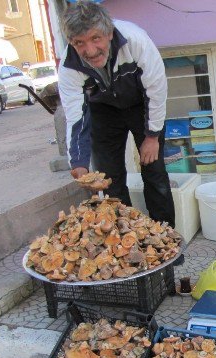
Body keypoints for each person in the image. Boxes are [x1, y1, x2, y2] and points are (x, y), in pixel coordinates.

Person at [58, 0, 175, 227]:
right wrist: (79, 163)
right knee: (109, 180)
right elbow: (75, 118)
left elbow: (157, 90)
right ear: (72, 43)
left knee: (155, 173)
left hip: (142, 104)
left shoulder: (136, 40)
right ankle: (124, 241)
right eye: (79, 43)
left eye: (95, 38)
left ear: (109, 32)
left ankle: (167, 241)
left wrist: (152, 136)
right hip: (102, 110)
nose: (90, 51)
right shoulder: (69, 67)